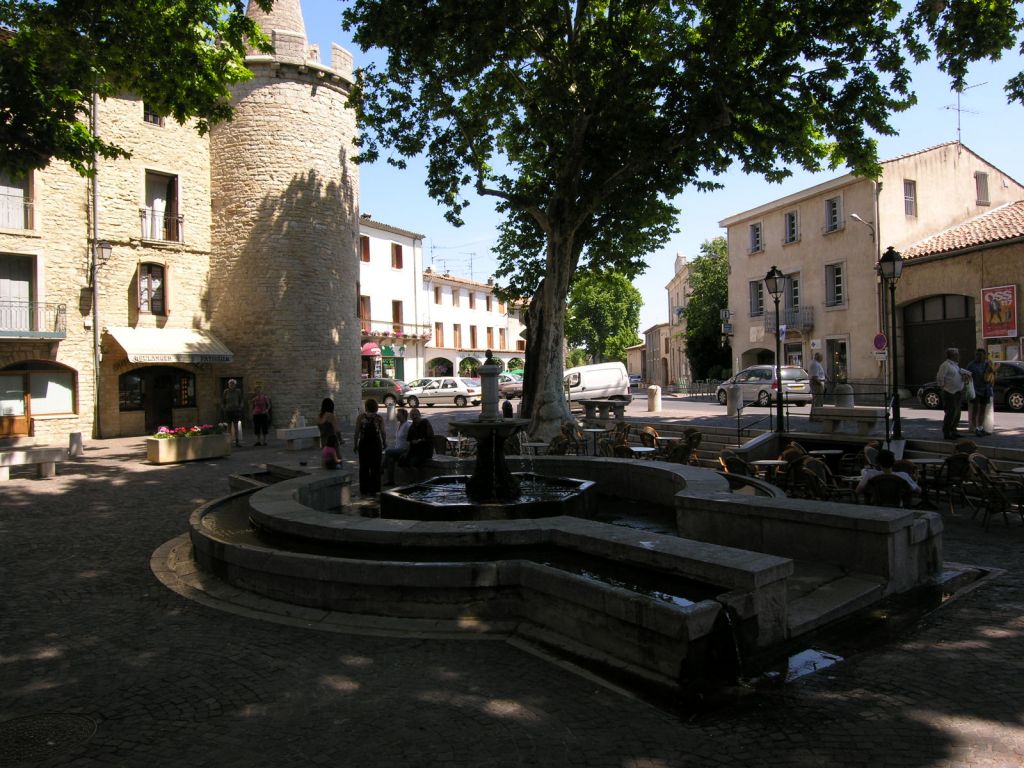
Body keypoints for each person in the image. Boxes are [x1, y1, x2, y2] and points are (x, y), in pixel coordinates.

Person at [936, 348, 970, 440]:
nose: (958, 356)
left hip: (958, 392)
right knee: (950, 413)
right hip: (950, 392)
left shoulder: (955, 365)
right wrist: (943, 388)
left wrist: (963, 378)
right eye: (957, 355)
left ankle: (953, 430)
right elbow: (940, 377)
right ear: (952, 355)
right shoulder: (945, 365)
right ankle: (947, 433)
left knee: (957, 413)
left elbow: (955, 376)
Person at [354, 398, 386, 496]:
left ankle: (364, 489)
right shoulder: (379, 418)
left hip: (364, 444)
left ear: (366, 407)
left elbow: (356, 432)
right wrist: (384, 442)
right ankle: (375, 489)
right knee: (375, 467)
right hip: (376, 444)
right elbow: (383, 432)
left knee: (364, 467)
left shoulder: (360, 418)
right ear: (376, 407)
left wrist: (355, 444)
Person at [856, 448, 920, 496]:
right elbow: (918, 491)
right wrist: (915, 479)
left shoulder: (870, 474)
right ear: (894, 462)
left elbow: (858, 491)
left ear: (878, 463)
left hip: (877, 504)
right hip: (897, 505)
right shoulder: (903, 475)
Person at [965, 348, 995, 437]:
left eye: (981, 355)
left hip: (986, 390)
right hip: (976, 391)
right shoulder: (971, 365)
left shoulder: (987, 364)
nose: (979, 357)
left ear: (984, 355)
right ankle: (976, 429)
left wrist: (992, 371)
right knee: (975, 410)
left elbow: (992, 375)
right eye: (977, 355)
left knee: (982, 410)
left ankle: (980, 428)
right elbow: (967, 377)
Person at [383, 407, 410, 485]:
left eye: (399, 414)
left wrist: (406, 452)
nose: (397, 416)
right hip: (397, 449)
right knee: (390, 460)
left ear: (404, 416)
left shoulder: (407, 425)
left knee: (387, 451)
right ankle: (390, 481)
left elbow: (409, 440)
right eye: (397, 414)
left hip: (403, 449)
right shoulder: (399, 425)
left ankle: (381, 468)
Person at [222, 378, 245, 447]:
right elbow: (223, 401)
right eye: (230, 384)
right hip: (228, 411)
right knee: (229, 427)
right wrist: (224, 408)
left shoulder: (238, 391)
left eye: (233, 384)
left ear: (235, 384)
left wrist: (240, 406)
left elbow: (241, 400)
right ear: (228, 384)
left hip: (236, 411)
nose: (231, 385)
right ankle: (229, 442)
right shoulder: (226, 391)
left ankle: (237, 441)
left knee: (236, 426)